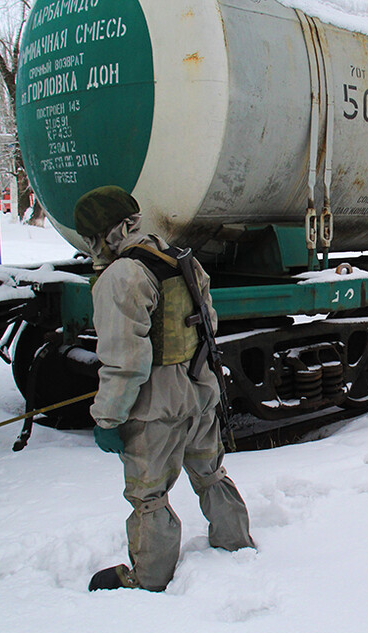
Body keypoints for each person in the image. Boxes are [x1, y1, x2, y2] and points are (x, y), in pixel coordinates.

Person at [74, 185, 254, 592]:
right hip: (199, 388)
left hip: (155, 405)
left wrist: (108, 419)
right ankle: (236, 544)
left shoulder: (121, 276)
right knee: (210, 473)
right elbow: (208, 324)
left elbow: (125, 361)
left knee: (149, 494)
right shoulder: (180, 258)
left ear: (102, 235)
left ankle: (149, 579)